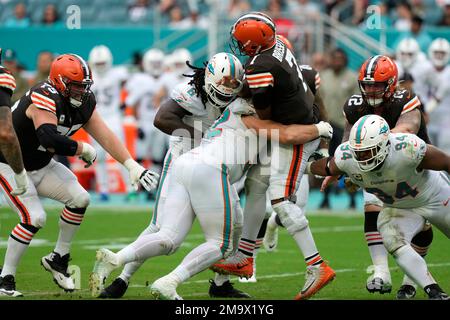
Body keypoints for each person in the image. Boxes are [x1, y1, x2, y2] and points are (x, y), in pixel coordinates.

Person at [89, 70, 333, 301]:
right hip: (209, 167)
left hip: (189, 163)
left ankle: (116, 258)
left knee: (171, 237)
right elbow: (287, 134)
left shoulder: (244, 104)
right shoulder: (251, 109)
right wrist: (319, 129)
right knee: (220, 243)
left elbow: (281, 140)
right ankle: (170, 281)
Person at [0, 53, 159, 297]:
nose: (80, 91)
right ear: (60, 82)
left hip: (40, 165)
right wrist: (82, 149)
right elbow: (49, 138)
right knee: (35, 217)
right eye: (75, 86)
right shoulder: (44, 94)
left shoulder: (84, 101)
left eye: (84, 86)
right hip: (10, 165)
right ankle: (5, 278)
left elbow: (104, 134)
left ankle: (58, 259)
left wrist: (131, 165)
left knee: (80, 199)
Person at [95, 52, 250, 299]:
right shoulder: (192, 92)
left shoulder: (240, 93)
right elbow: (162, 118)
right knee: (162, 230)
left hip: (213, 165)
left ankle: (221, 284)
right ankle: (122, 280)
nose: (227, 88)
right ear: (209, 78)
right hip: (182, 160)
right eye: (222, 82)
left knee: (236, 223)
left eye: (233, 84)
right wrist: (203, 136)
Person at [225, 11, 336, 300]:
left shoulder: (261, 64)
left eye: (242, 41)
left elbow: (263, 111)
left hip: (298, 134)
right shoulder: (278, 46)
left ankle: (317, 266)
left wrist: (245, 106)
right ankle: (245, 256)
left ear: (253, 42)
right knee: (256, 187)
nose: (239, 45)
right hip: (298, 124)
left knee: (280, 199)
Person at [325, 55, 434, 299]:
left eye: (377, 85)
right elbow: (347, 143)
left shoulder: (404, 99)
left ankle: (410, 280)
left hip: (412, 165)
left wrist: (373, 139)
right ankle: (381, 272)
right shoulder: (354, 105)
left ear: (392, 84)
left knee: (424, 225)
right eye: (367, 84)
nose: (371, 89)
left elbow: (407, 131)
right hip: (373, 163)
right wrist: (341, 168)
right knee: (371, 206)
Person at [307, 115, 450, 300]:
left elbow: (446, 162)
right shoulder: (348, 156)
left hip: (434, 197)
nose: (361, 157)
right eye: (358, 152)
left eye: (367, 152)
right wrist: (300, 166)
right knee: (391, 237)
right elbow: (326, 167)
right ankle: (434, 291)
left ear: (384, 145)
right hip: (400, 206)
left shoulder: (406, 148)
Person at [88, 45, 133, 202]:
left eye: (102, 63)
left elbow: (134, 85)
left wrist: (126, 101)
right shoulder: (89, 76)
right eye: (98, 63)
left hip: (113, 116)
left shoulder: (117, 74)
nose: (100, 66)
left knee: (121, 153)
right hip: (95, 118)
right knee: (98, 156)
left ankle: (130, 188)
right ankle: (104, 189)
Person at [319, 48, 359, 209]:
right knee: (326, 162)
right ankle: (325, 198)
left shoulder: (352, 78)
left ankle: (352, 198)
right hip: (326, 126)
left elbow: (357, 103)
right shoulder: (323, 76)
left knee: (348, 162)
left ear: (345, 60)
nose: (337, 61)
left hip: (344, 126)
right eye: (334, 58)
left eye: (340, 58)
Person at [418, 38, 450, 153]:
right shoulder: (424, 69)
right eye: (437, 53)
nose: (439, 56)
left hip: (446, 121)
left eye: (442, 53)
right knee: (427, 153)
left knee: (446, 153)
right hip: (428, 121)